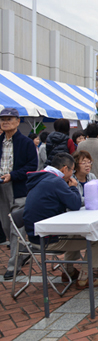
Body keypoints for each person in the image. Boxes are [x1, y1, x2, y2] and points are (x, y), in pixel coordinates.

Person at [23, 153, 98, 288]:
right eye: (72, 171)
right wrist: (73, 187)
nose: (71, 175)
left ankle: (69, 271)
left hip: (36, 234)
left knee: (76, 233)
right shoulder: (56, 181)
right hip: (47, 239)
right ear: (64, 169)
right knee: (97, 237)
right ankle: (85, 277)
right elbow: (74, 203)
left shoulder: (41, 177)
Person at [0, 108, 38, 280]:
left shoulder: (26, 143)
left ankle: (13, 265)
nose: (5, 122)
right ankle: (22, 253)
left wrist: (12, 176)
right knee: (7, 227)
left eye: (9, 119)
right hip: (2, 189)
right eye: (2, 119)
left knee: (16, 229)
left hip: (19, 189)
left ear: (17, 121)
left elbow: (32, 165)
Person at [72, 150, 98, 276]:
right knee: (94, 237)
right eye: (83, 162)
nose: (87, 165)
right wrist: (92, 198)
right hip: (75, 218)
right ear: (76, 165)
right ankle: (77, 271)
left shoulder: (92, 177)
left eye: (89, 162)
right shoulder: (71, 180)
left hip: (91, 215)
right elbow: (75, 201)